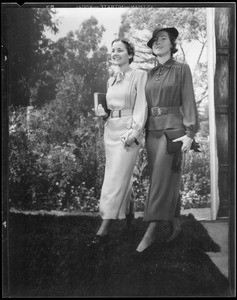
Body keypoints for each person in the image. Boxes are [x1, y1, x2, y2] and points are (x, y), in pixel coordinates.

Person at [134, 27, 200, 255]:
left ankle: (150, 233)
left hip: (173, 131)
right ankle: (174, 221)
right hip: (152, 131)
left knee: (161, 180)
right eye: (155, 39)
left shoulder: (182, 69)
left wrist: (190, 133)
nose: (158, 41)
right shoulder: (150, 74)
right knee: (162, 178)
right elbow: (142, 106)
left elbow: (189, 101)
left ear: (172, 44)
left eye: (163, 38)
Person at [87, 38, 148, 248]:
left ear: (129, 54)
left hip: (128, 132)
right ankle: (130, 219)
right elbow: (110, 108)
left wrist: (134, 132)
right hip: (110, 131)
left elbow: (142, 107)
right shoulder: (110, 80)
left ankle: (103, 230)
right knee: (121, 176)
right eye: (112, 50)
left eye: (119, 50)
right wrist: (102, 114)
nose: (115, 53)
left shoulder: (139, 75)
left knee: (114, 179)